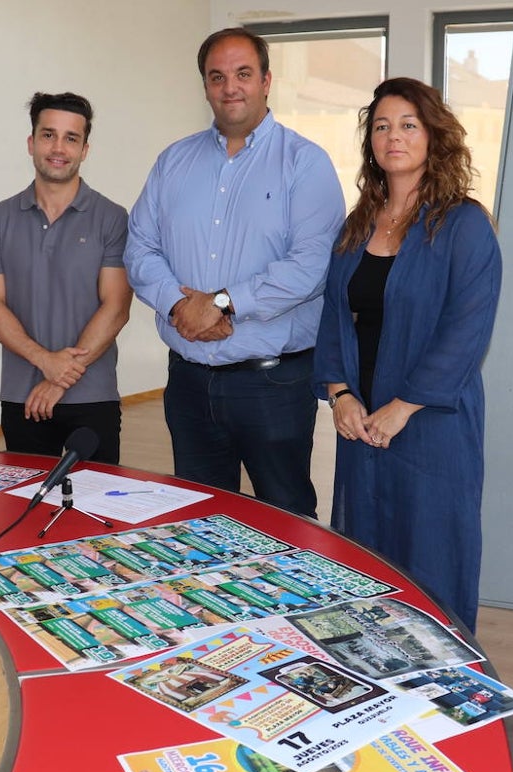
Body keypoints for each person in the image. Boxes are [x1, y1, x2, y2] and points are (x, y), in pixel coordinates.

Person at [125, 28, 345, 517]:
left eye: (243, 74)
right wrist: (182, 305)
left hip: (273, 385)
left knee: (286, 520)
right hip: (188, 384)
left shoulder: (305, 164)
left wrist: (222, 303)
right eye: (217, 76)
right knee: (197, 525)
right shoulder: (172, 162)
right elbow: (139, 246)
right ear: (204, 85)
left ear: (267, 81)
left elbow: (311, 265)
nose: (231, 88)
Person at [314, 77, 501, 632]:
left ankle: (443, 672)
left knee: (433, 548)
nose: (393, 136)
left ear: (432, 136)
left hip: (430, 423)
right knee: (367, 553)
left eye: (408, 125)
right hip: (363, 423)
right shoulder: (357, 225)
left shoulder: (464, 224)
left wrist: (405, 405)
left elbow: (467, 329)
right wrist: (340, 394)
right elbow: (331, 314)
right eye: (381, 126)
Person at [0, 92, 131, 464]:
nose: (58, 147)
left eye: (70, 138)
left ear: (85, 149)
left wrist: (58, 377)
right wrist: (45, 361)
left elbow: (117, 307)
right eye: (48, 135)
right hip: (21, 397)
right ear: (31, 143)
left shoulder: (113, 218)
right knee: (26, 510)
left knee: (98, 514)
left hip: (93, 396)